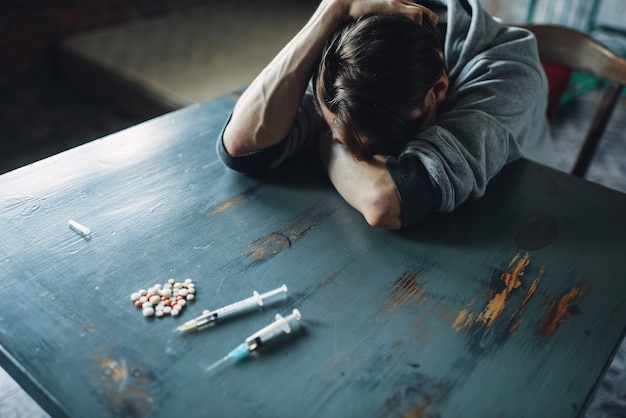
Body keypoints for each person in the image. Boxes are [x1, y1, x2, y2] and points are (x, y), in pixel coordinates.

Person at [216, 0, 554, 230]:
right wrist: (330, 11)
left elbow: (387, 200)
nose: (356, 150)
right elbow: (245, 148)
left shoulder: (506, 67)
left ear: (438, 88)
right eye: (335, 127)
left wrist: (328, 140)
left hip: (526, 219)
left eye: (358, 145)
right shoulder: (348, 47)